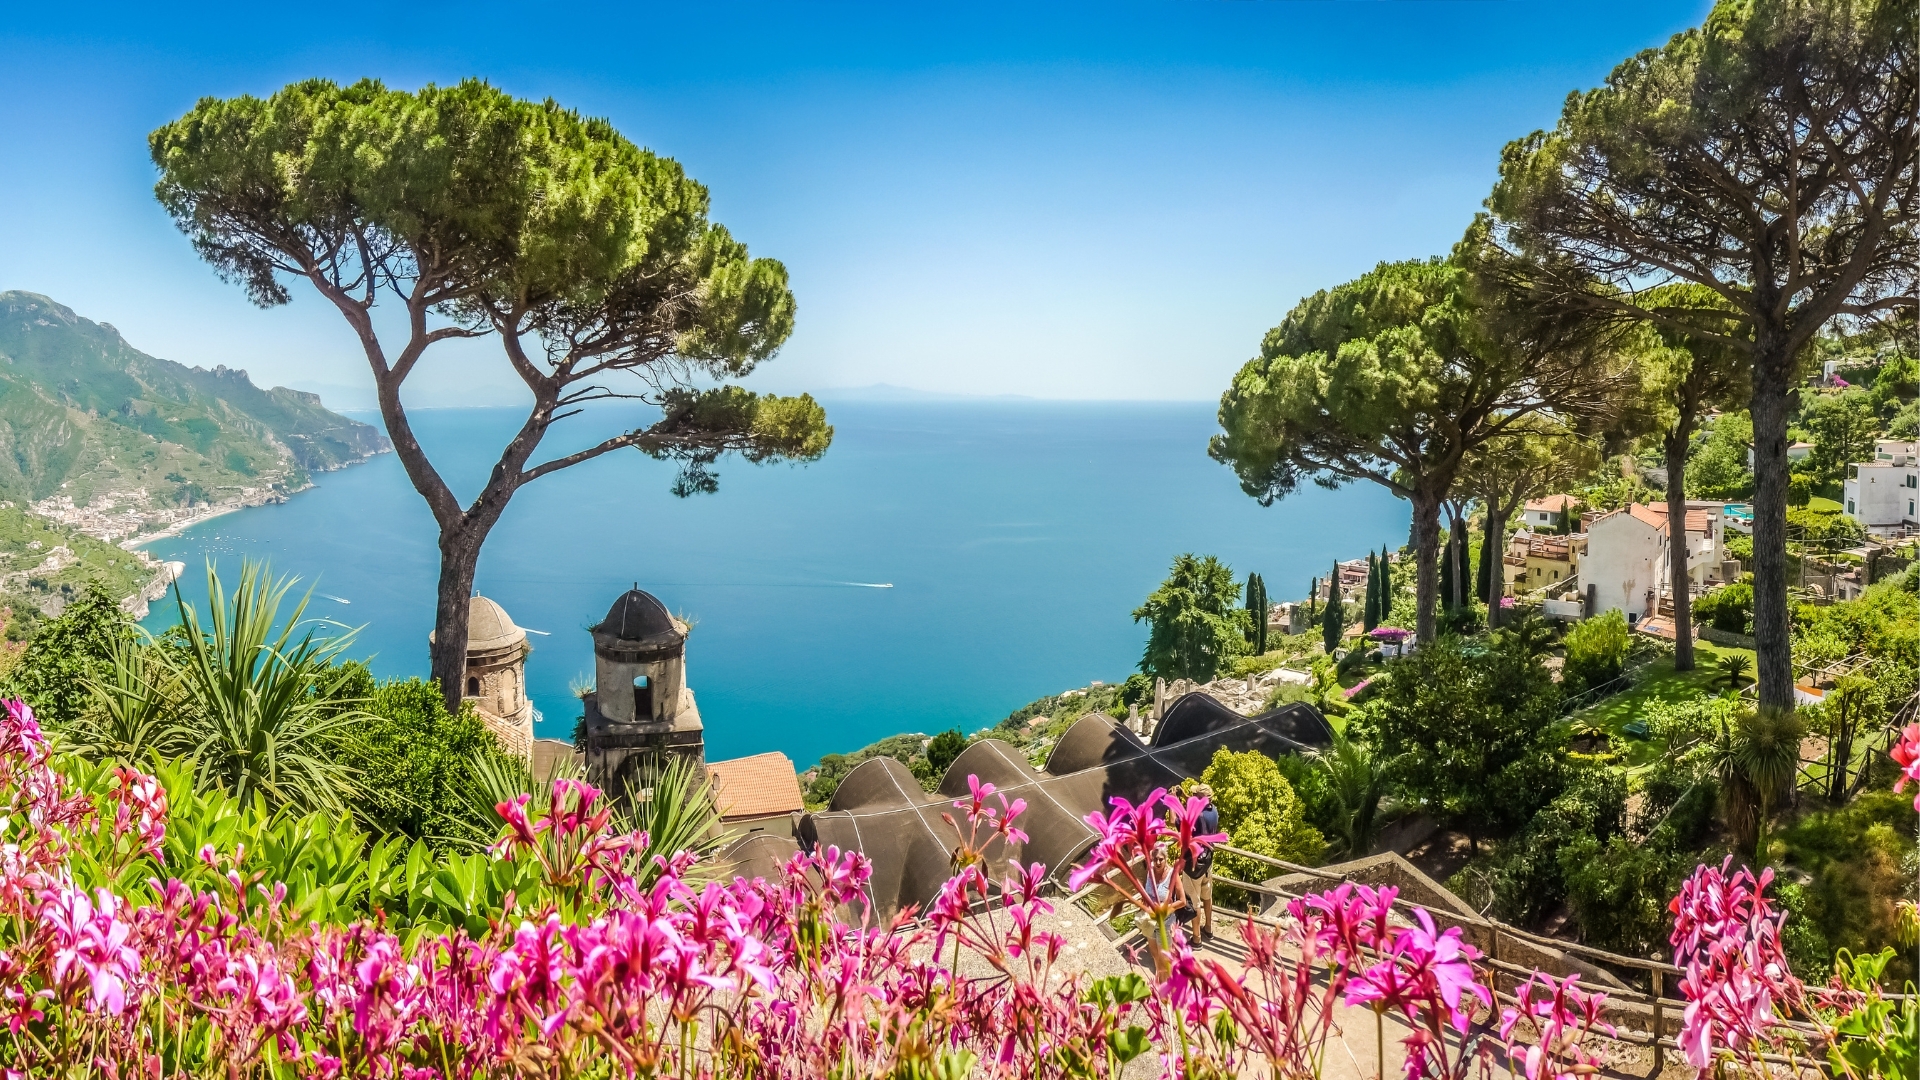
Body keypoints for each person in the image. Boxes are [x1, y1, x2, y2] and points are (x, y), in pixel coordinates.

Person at [1181, 783, 1219, 941]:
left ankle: (1196, 938)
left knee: (1193, 901)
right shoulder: (1214, 810)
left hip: (1193, 864)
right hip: (1208, 861)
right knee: (1207, 896)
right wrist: (1185, 796)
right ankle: (1208, 928)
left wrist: (1175, 799)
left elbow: (1175, 822)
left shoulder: (1195, 815)